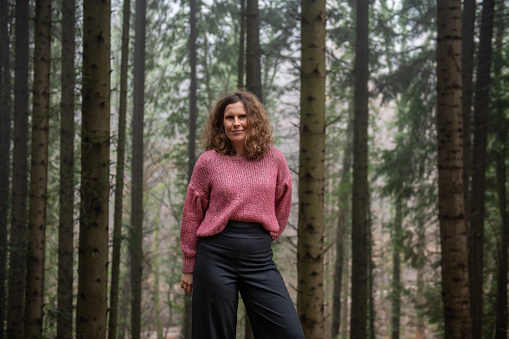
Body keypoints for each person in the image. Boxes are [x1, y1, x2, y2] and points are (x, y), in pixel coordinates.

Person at [179, 91, 305, 338]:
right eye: (229, 117)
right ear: (221, 123)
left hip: (258, 257)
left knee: (289, 333)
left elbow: (283, 200)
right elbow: (192, 213)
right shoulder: (208, 162)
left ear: (253, 119)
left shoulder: (274, 159)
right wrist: (188, 262)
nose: (236, 122)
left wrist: (265, 235)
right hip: (215, 255)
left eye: (242, 116)